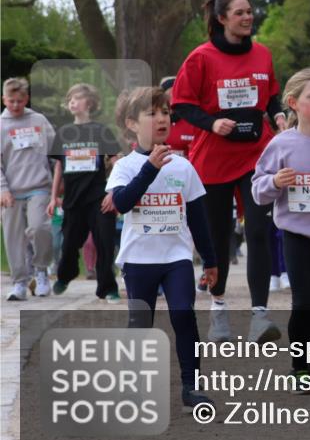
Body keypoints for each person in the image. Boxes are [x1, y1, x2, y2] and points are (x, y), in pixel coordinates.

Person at [171, 0, 286, 343]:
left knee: (258, 232)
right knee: (218, 239)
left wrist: (278, 114)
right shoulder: (201, 58)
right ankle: (218, 309)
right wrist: (211, 123)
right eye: (240, 13)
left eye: (250, 11)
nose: (248, 17)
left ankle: (259, 316)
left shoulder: (262, 54)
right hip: (214, 160)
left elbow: (270, 97)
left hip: (256, 155)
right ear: (222, 19)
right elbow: (182, 105)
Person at [107, 86, 217, 411]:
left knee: (184, 314)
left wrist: (210, 261)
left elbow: (199, 219)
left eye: (166, 112)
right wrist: (150, 168)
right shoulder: (125, 166)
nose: (162, 118)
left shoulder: (184, 167)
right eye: (152, 113)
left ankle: (191, 388)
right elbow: (123, 203)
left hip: (176, 258)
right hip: (139, 260)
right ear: (131, 124)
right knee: (141, 324)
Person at [252, 67, 310, 388]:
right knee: (305, 303)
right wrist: (275, 181)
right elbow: (257, 187)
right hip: (296, 235)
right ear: (293, 102)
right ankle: (301, 364)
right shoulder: (282, 145)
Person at [48, 83, 121, 302]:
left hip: (99, 198)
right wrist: (53, 198)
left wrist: (115, 191)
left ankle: (108, 288)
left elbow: (116, 160)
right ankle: (65, 276)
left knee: (105, 243)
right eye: (70, 98)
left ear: (88, 103)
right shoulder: (63, 133)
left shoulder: (101, 131)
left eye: (77, 98)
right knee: (69, 244)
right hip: (73, 201)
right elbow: (59, 167)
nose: (72, 102)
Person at [1, 77, 56, 301]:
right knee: (13, 237)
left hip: (39, 186)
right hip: (11, 191)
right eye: (11, 101)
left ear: (27, 99)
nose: (15, 105)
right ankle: (19, 282)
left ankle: (41, 271)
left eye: (20, 101)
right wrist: (3, 189)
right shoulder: (1, 125)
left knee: (39, 228)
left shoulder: (39, 120)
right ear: (4, 99)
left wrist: (57, 186)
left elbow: (55, 152)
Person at [159, 76, 198, 158]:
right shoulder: (153, 123)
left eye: (175, 94)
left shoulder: (193, 122)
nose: (172, 99)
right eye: (168, 96)